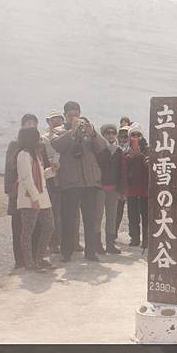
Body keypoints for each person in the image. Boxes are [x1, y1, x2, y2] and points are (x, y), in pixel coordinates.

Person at [52, 101, 106, 262]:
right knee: (68, 218)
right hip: (70, 182)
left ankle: (90, 252)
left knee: (90, 218)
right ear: (65, 116)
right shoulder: (58, 131)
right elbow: (57, 146)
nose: (74, 117)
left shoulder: (87, 130)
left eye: (76, 114)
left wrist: (94, 133)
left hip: (89, 182)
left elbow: (101, 147)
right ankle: (66, 252)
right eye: (70, 115)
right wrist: (72, 131)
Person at [4, 114, 49, 269]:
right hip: (19, 193)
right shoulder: (15, 145)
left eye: (34, 123)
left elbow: (43, 169)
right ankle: (21, 261)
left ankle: (35, 258)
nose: (31, 125)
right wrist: (9, 189)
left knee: (37, 228)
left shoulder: (39, 146)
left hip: (38, 192)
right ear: (22, 125)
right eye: (28, 123)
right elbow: (10, 169)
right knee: (20, 228)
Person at [16, 128, 55, 271]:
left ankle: (39, 258)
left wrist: (53, 171)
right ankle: (29, 262)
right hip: (29, 198)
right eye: (37, 139)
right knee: (28, 231)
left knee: (49, 227)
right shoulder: (23, 155)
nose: (40, 141)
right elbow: (27, 178)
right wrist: (34, 198)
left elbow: (40, 175)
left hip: (43, 197)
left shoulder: (36, 155)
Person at [95, 124, 126, 254]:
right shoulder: (99, 150)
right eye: (108, 133)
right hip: (100, 187)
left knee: (112, 216)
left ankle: (110, 244)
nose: (111, 135)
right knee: (98, 216)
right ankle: (97, 244)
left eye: (113, 133)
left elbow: (122, 171)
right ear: (103, 135)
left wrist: (122, 190)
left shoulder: (119, 151)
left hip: (114, 188)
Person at [122, 126, 149, 248]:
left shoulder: (148, 150)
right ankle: (134, 238)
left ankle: (147, 240)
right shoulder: (126, 150)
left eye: (138, 134)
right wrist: (130, 157)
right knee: (133, 215)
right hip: (132, 189)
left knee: (146, 215)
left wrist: (140, 156)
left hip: (145, 189)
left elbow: (151, 166)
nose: (136, 137)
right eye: (133, 135)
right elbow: (122, 168)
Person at [42, 109, 64, 254]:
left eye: (58, 119)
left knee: (65, 212)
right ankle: (52, 242)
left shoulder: (66, 136)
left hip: (64, 177)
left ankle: (63, 241)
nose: (55, 122)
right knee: (51, 212)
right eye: (52, 120)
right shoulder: (43, 138)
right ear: (48, 122)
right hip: (49, 177)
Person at [115, 126, 130, 236]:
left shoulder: (133, 150)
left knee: (133, 213)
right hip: (118, 184)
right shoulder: (114, 148)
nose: (123, 139)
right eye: (121, 136)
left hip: (131, 184)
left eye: (126, 136)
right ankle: (114, 232)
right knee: (117, 210)